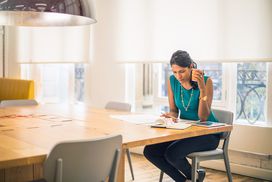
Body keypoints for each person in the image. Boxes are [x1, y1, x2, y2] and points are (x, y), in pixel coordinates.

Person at [143, 50, 220, 182]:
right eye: (175, 72)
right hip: (185, 131)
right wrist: (170, 116)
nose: (178, 76)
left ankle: (193, 177)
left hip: (208, 134)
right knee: (150, 151)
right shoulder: (172, 81)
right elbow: (174, 110)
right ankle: (187, 179)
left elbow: (203, 117)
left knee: (172, 153)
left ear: (191, 66)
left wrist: (201, 88)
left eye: (182, 71)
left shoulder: (206, 82)